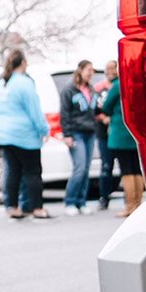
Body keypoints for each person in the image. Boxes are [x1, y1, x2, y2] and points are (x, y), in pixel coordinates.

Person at [0, 49, 51, 220]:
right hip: (25, 135)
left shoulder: (2, 83)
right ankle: (37, 208)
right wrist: (44, 129)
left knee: (13, 172)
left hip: (5, 134)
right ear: (23, 63)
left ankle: (12, 207)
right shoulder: (25, 83)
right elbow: (34, 110)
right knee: (33, 172)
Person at [100, 72, 145, 217]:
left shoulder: (118, 85)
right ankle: (138, 205)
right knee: (136, 168)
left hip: (121, 131)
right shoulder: (138, 83)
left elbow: (106, 107)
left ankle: (130, 206)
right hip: (135, 131)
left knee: (126, 170)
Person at [60, 59, 99, 215]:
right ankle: (70, 201)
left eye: (92, 71)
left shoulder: (91, 89)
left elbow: (94, 110)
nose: (91, 73)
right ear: (80, 70)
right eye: (88, 70)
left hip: (90, 132)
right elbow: (64, 113)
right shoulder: (69, 90)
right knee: (80, 168)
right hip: (76, 133)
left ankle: (81, 202)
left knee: (86, 169)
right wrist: (67, 135)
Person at [94, 59, 119, 209]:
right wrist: (103, 117)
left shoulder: (118, 86)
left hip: (117, 131)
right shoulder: (99, 88)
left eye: (113, 68)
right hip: (104, 133)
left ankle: (130, 200)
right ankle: (104, 197)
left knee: (125, 167)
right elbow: (94, 109)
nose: (110, 72)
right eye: (107, 69)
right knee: (106, 166)